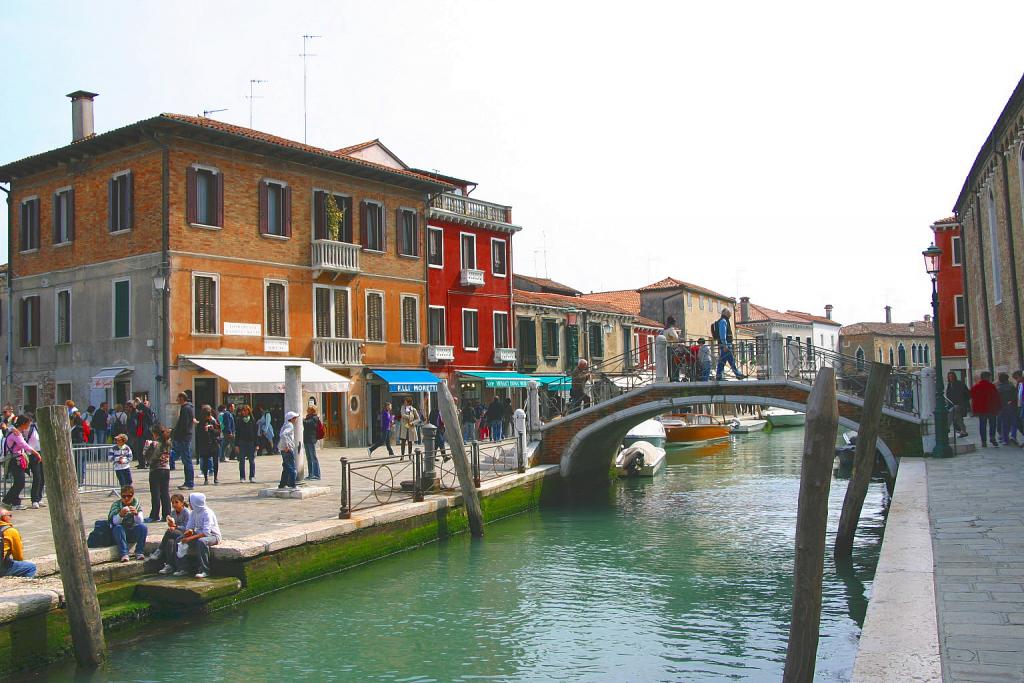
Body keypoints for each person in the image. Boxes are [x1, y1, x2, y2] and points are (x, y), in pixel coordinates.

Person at [174, 492, 220, 579]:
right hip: (199, 534)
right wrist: (187, 533)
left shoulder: (207, 513)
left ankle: (204, 570)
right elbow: (189, 527)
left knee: (201, 541)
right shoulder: (193, 513)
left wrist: (190, 538)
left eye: (190, 502)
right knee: (179, 539)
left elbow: (206, 532)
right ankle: (182, 568)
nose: (189, 504)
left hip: (213, 536)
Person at [2, 416, 38, 510]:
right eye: (28, 424)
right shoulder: (16, 434)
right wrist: (36, 453)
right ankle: (6, 501)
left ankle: (15, 503)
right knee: (20, 482)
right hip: (15, 460)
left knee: (19, 482)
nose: (29, 426)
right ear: (23, 424)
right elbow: (24, 445)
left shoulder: (16, 431)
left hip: (17, 459)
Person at [108, 485, 148, 563]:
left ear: (133, 495)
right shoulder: (116, 505)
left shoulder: (136, 504)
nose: (126, 498)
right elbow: (114, 522)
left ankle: (139, 552)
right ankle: (124, 554)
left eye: (129, 496)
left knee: (143, 527)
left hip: (132, 530)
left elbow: (140, 521)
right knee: (118, 528)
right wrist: (120, 515)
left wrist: (136, 514)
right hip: (120, 532)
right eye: (124, 496)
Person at [153, 493, 190, 575]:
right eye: (172, 503)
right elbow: (173, 525)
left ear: (182, 503)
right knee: (170, 542)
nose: (174, 505)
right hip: (175, 533)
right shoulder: (173, 513)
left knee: (169, 532)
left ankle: (160, 549)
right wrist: (171, 524)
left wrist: (175, 526)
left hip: (185, 533)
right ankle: (170, 565)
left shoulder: (186, 513)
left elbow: (186, 527)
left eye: (176, 502)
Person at [144, 425, 172, 523]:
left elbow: (148, 458)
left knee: (155, 493)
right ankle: (167, 514)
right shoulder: (167, 442)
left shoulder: (154, 444)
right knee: (165, 492)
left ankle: (154, 515)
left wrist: (147, 447)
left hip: (156, 470)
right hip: (166, 469)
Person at [0, 506, 36, 577]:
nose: (11, 518)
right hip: (2, 567)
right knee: (30, 567)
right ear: (4, 518)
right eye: (10, 515)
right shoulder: (10, 531)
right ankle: (24, 586)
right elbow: (18, 556)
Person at [713, 308, 746, 381]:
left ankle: (719, 376)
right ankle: (737, 374)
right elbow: (722, 334)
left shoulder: (723, 321)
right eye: (729, 312)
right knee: (731, 360)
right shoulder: (723, 321)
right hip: (726, 344)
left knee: (723, 361)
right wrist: (725, 345)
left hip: (725, 344)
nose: (730, 314)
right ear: (725, 313)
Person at [171, 392, 196, 490]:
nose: (177, 400)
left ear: (182, 398)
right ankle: (188, 482)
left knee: (186, 460)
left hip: (183, 438)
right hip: (184, 437)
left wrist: (175, 433)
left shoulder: (186, 408)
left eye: (178, 397)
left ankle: (189, 483)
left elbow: (184, 425)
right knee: (184, 459)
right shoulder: (187, 408)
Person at [970, 371, 1002, 448]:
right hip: (991, 408)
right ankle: (992, 437)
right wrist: (999, 407)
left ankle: (983, 441)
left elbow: (972, 398)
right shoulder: (991, 386)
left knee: (982, 425)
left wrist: (974, 410)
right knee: (992, 424)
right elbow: (996, 397)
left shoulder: (976, 386)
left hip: (981, 409)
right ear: (987, 377)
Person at [196, 405, 221, 486]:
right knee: (205, 462)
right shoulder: (200, 423)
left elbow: (218, 431)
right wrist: (205, 430)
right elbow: (199, 435)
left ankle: (215, 478)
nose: (209, 416)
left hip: (214, 443)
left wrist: (212, 429)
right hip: (205, 444)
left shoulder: (214, 421)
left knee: (215, 462)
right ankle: (206, 478)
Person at [24, 416, 45, 509]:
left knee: (43, 477)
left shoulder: (40, 428)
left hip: (41, 453)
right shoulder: (29, 428)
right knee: (37, 476)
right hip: (32, 454)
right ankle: (35, 500)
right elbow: (13, 428)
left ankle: (39, 498)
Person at [235, 404, 258, 482]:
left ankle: (252, 476)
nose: (244, 412)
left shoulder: (253, 420)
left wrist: (257, 444)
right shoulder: (239, 420)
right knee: (242, 460)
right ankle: (242, 477)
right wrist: (236, 445)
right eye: (243, 411)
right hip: (242, 442)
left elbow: (255, 433)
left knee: (252, 460)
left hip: (251, 442)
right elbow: (237, 433)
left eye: (245, 410)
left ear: (249, 411)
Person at [945, 371, 971, 439]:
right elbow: (948, 396)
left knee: (951, 413)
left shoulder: (960, 384)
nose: (951, 378)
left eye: (952, 376)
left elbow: (968, 394)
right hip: (952, 404)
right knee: (958, 418)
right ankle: (964, 431)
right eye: (950, 376)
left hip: (960, 404)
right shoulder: (948, 385)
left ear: (954, 377)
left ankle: (946, 428)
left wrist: (963, 402)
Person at [278, 411, 299, 490]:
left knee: (286, 467)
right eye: (295, 418)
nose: (296, 419)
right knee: (292, 468)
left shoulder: (285, 424)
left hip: (283, 449)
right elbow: (283, 434)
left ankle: (282, 484)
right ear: (292, 419)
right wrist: (287, 445)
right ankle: (292, 484)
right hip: (287, 449)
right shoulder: (290, 425)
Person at [996, 372, 1019, 446]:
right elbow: (1016, 395)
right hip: (1011, 406)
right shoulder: (1011, 387)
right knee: (1013, 422)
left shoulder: (998, 388)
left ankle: (1005, 439)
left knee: (1004, 423)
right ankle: (1013, 436)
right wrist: (1011, 401)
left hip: (1002, 407)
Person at [303, 406, 323, 480]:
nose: (307, 410)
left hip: (311, 440)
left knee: (313, 458)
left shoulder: (314, 418)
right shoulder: (308, 417)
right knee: (309, 458)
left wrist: (302, 420)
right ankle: (310, 474)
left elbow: (307, 424)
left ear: (312, 410)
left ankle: (317, 475)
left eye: (308, 409)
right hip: (306, 440)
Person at [662, 316, 682, 382]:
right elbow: (676, 338)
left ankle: (670, 377)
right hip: (671, 348)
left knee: (669, 364)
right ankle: (675, 378)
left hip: (666, 349)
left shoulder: (664, 329)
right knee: (674, 364)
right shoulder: (671, 329)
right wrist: (679, 342)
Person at [70, 413, 87, 486]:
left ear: (72, 420)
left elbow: (79, 439)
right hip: (74, 450)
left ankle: (79, 482)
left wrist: (71, 441)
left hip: (78, 450)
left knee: (79, 465)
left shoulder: (78, 429)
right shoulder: (71, 428)